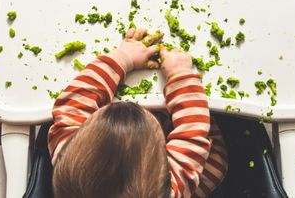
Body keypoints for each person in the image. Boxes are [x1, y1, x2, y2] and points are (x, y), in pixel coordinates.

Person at [48, 28, 228, 198]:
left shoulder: (67, 155)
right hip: (182, 176)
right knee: (215, 165)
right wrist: (180, 73)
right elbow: (191, 134)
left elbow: (74, 101)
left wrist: (124, 57)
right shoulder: (169, 191)